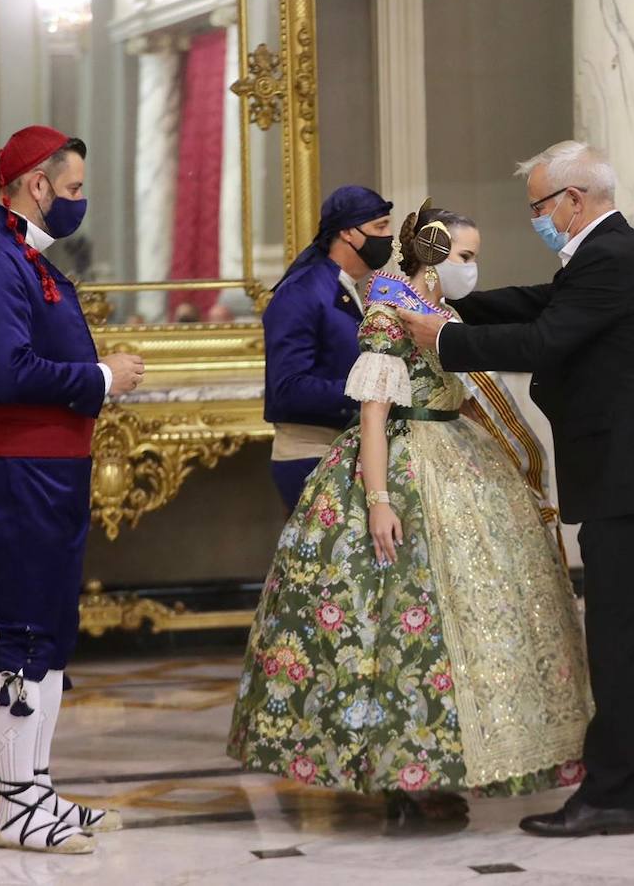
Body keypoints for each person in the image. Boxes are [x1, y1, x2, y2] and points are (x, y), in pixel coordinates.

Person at [228, 202, 591, 820]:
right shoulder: (390, 312)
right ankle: (399, 778)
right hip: (401, 464)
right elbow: (373, 411)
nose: (474, 270)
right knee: (395, 629)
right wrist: (378, 501)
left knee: (466, 626)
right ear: (433, 253)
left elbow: (470, 397)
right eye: (467, 258)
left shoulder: (444, 315)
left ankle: (451, 767)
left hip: (461, 458)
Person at [398, 141, 634, 837]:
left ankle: (609, 796)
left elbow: (545, 340)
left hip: (632, 476)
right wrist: (460, 306)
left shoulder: (610, 256)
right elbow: (544, 304)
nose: (536, 216)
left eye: (538, 205)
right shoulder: (604, 255)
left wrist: (443, 338)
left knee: (623, 641)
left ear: (573, 198)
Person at [0, 125, 144, 854]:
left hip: (50, 468)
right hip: (15, 470)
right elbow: (10, 372)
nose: (79, 201)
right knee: (24, 637)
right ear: (37, 184)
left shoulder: (22, 256)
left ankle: (39, 792)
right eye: (75, 188)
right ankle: (16, 805)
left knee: (51, 637)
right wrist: (101, 377)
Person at [262, 185, 394, 510]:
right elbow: (287, 388)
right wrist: (368, 390)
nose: (389, 237)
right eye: (380, 227)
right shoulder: (302, 291)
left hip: (343, 448)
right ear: (348, 232)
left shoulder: (345, 287)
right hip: (310, 455)